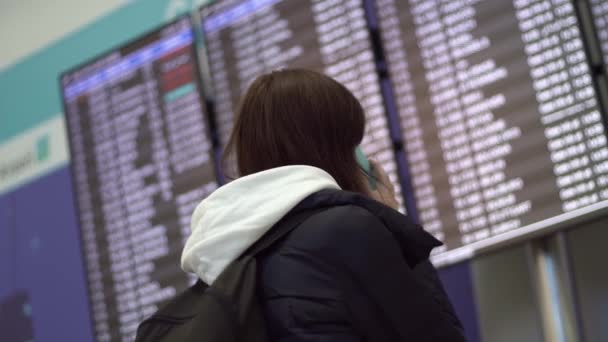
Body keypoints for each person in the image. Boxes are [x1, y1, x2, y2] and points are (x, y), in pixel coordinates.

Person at [181, 69, 466, 341]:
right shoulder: (349, 229)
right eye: (356, 142)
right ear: (339, 149)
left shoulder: (223, 256)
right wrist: (395, 226)